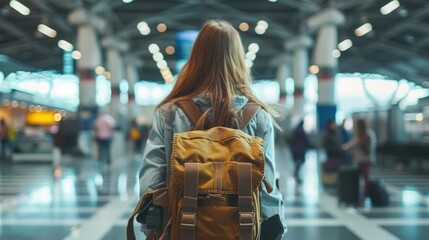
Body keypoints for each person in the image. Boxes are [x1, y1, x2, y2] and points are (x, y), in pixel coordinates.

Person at [139, 20, 286, 233]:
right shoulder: (258, 116)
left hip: (181, 230)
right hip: (241, 231)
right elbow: (267, 188)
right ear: (237, 58)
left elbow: (151, 184)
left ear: (196, 57)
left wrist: (154, 231)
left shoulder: (170, 114)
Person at [342, 118, 375, 198]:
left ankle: (363, 195)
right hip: (365, 160)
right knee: (365, 178)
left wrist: (345, 147)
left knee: (362, 179)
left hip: (362, 160)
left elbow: (350, 145)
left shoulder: (362, 136)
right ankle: (364, 195)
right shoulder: (369, 134)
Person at [289, 120, 311, 185]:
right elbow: (305, 140)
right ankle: (296, 174)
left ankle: (296, 174)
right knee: (299, 162)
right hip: (300, 149)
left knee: (298, 162)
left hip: (295, 148)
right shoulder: (301, 130)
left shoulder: (296, 130)